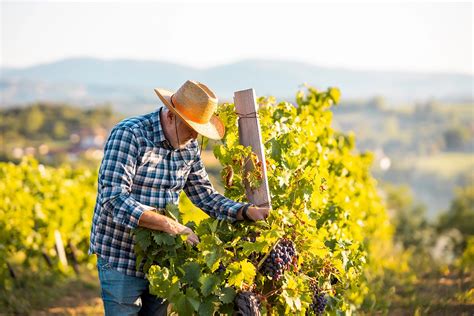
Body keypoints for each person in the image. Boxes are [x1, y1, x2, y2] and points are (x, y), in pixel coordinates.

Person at [89, 80, 270, 315]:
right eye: (191, 128)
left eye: (199, 131)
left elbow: (204, 195)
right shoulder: (130, 135)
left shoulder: (189, 145)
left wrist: (244, 211)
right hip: (120, 255)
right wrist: (171, 226)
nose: (194, 136)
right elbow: (114, 199)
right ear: (171, 116)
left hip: (162, 260)